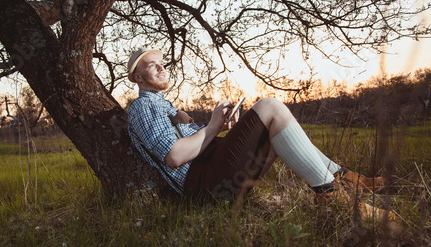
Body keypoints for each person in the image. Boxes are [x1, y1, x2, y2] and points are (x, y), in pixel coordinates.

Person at [127, 48, 393, 221]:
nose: (162, 68)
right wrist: (211, 126)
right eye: (152, 66)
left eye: (162, 63)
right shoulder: (142, 106)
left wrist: (222, 128)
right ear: (138, 78)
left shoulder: (164, 105)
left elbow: (196, 143)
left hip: (214, 170)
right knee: (269, 106)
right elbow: (174, 156)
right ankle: (335, 195)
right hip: (202, 183)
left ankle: (342, 178)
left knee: (275, 132)